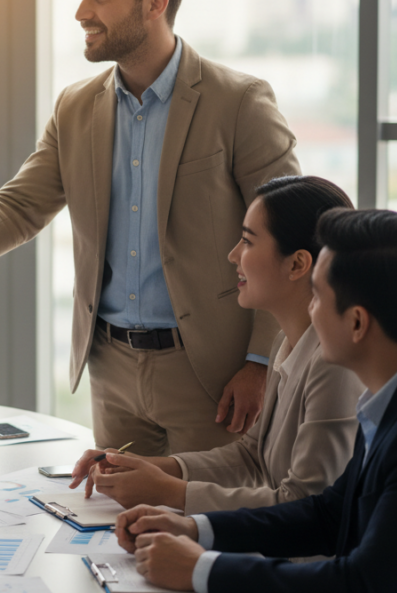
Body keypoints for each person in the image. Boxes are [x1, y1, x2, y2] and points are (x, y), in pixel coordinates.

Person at [0, 0, 300, 453]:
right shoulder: (76, 106)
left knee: (202, 529)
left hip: (213, 372)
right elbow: (21, 205)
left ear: (154, 3)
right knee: (116, 528)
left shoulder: (238, 102)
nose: (81, 13)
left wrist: (261, 362)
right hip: (110, 369)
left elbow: (293, 233)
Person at [114, 209, 397, 592]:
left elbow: (364, 583)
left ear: (357, 323)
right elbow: (328, 515)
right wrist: (195, 527)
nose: (309, 310)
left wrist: (203, 571)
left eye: (318, 298)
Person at [70, 176, 363, 513]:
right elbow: (252, 457)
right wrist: (145, 467)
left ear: (297, 264)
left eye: (248, 242)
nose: (233, 255)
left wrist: (169, 493)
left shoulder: (333, 366)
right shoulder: (288, 342)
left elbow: (307, 504)